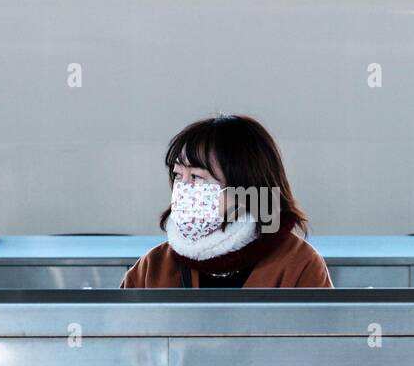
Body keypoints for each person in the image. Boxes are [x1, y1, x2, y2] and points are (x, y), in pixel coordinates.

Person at [121, 114, 333, 288]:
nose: (183, 188)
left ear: (244, 187)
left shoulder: (299, 264)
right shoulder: (153, 267)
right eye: (178, 175)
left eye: (197, 177)